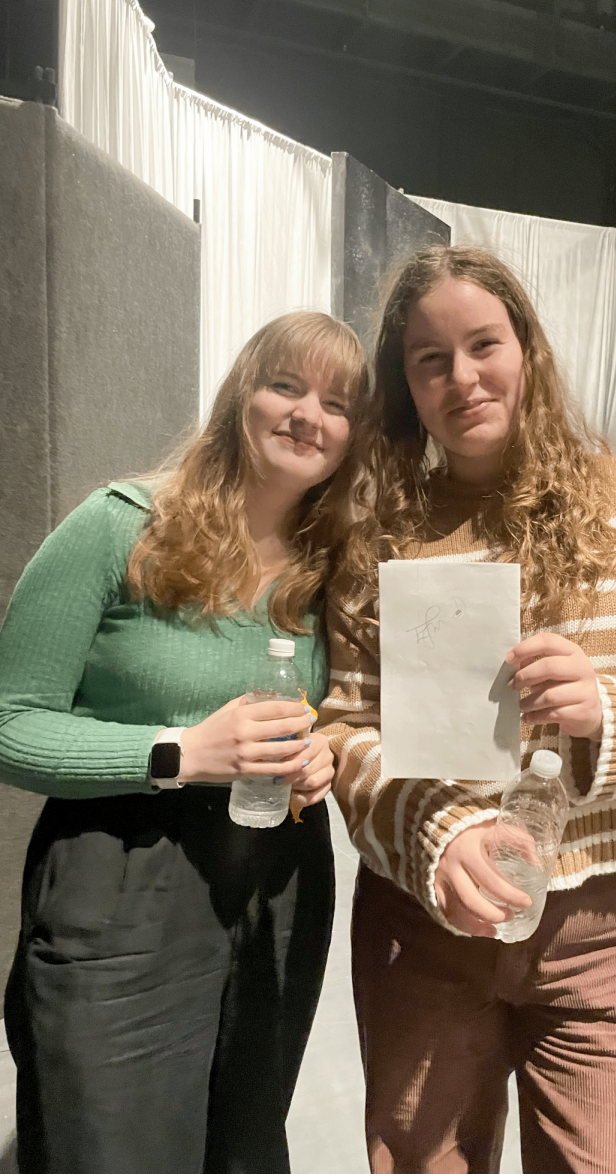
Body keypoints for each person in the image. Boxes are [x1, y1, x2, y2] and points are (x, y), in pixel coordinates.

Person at [319, 246, 616, 1174]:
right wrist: (439, 834)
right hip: (425, 932)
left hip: (609, 940)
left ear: (529, 348)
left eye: (485, 343)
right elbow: (348, 728)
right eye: (430, 359)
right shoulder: (380, 538)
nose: (463, 377)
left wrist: (613, 709)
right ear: (405, 385)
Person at [0, 310, 366, 1174]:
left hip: (276, 889)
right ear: (242, 392)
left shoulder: (334, 566)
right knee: (109, 1143)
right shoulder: (119, 525)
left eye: (337, 401)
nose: (308, 413)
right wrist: (179, 753)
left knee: (242, 1140)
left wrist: (329, 750)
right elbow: (10, 720)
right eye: (286, 385)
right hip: (120, 880)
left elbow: (350, 710)